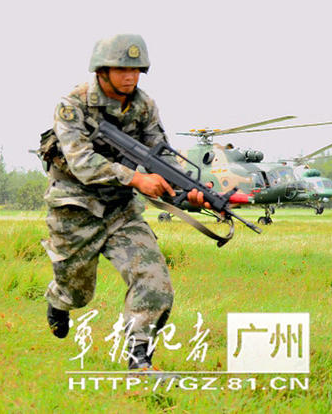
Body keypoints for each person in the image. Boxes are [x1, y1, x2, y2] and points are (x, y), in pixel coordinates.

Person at [38, 34, 206, 372]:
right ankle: (59, 300)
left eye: (137, 70)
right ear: (102, 70)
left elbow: (160, 154)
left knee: (153, 278)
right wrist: (135, 178)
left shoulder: (144, 106)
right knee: (78, 293)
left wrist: (189, 190)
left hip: (121, 209)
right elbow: (81, 161)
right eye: (122, 69)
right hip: (74, 207)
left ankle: (139, 356)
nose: (130, 77)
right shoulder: (73, 104)